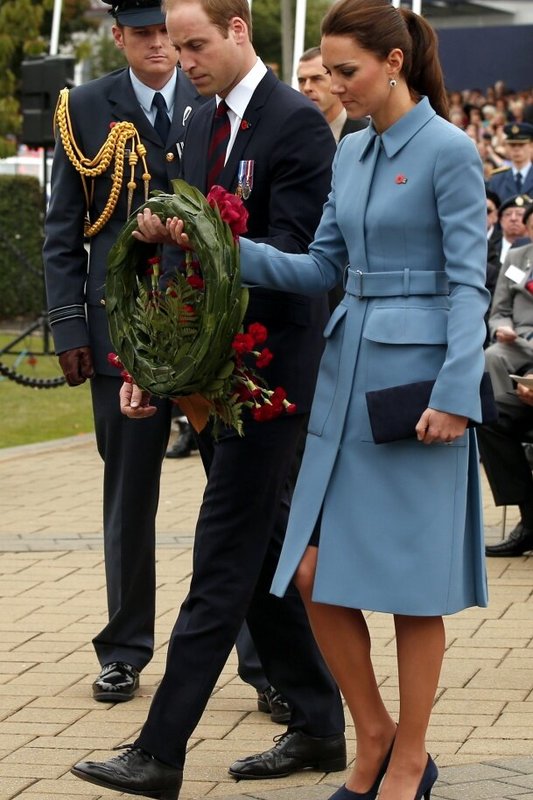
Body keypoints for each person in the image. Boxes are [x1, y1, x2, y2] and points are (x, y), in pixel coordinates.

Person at [157, 2, 491, 799]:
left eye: (347, 72)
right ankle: (371, 732)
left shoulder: (446, 149)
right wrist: (215, 245)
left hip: (416, 397)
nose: (334, 87)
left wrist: (455, 395)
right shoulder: (351, 149)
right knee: (311, 572)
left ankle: (407, 759)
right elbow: (317, 269)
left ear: (394, 63)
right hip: (344, 382)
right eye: (328, 73)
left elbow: (469, 283)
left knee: (413, 591)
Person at [70, 0, 345, 797]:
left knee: (221, 556)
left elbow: (299, 258)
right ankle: (322, 722)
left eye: (194, 44)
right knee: (257, 556)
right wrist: (149, 364)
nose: (180, 59)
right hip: (210, 376)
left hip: (272, 376)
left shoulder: (293, 122)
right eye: (173, 46)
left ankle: (160, 751)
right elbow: (178, 257)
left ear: (237, 30)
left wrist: (208, 243)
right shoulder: (196, 123)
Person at [43, 0, 203, 703]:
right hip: (121, 332)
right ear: (119, 37)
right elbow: (62, 228)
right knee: (128, 496)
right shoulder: (84, 106)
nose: (159, 46)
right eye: (143, 34)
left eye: (167, 32)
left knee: (241, 499)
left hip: (206, 324)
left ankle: (265, 662)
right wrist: (69, 328)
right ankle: (124, 647)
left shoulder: (211, 91)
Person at [480, 241, 533, 557]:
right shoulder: (517, 259)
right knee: (490, 415)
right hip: (519, 347)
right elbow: (499, 310)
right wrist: (503, 328)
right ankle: (530, 519)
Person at [297, 46, 367, 143]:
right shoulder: (294, 135)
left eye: (316, 79)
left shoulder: (367, 134)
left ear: (336, 80)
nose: (307, 88)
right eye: (302, 81)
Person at [488, 122, 533, 203]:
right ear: (506, 147)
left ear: (531, 146)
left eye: (521, 145)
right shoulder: (497, 180)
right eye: (512, 145)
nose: (516, 149)